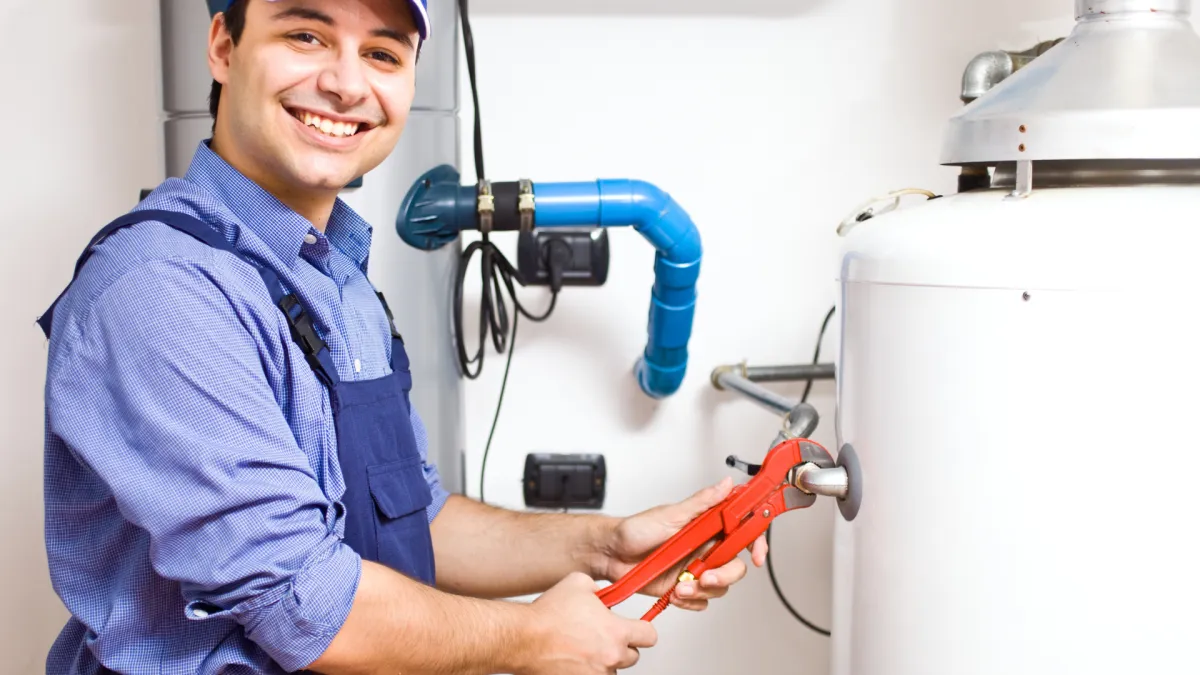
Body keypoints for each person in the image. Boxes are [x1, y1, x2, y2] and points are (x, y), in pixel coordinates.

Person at [38, 1, 767, 673]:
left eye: (383, 54)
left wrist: (608, 546)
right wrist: (532, 636)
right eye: (305, 35)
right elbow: (305, 604)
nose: (346, 83)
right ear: (224, 46)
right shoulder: (163, 289)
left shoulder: (341, 280)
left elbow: (417, 518)